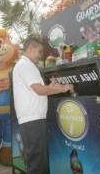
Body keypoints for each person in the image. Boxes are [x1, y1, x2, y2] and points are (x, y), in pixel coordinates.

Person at [12, 36, 73, 174]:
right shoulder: (25, 65)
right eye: (39, 52)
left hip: (32, 119)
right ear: (30, 48)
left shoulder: (25, 65)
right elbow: (39, 90)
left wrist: (50, 87)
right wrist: (62, 88)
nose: (40, 56)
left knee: (37, 161)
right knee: (37, 164)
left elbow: (37, 90)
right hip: (32, 120)